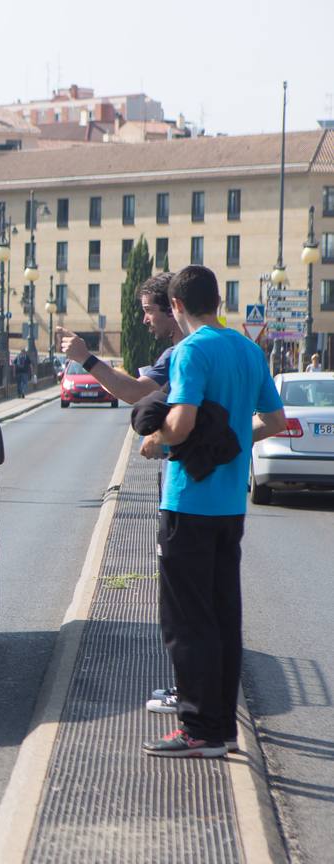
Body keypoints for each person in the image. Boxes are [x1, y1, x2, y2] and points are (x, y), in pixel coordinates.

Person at [137, 266, 286, 759]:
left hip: (189, 503)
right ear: (217, 301)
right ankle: (220, 727)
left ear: (177, 306)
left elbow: (179, 423)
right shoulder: (248, 349)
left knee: (186, 621)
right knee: (223, 615)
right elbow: (276, 420)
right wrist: (236, 440)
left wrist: (156, 442)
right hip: (229, 507)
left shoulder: (191, 350)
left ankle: (198, 729)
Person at [57, 273, 182, 408]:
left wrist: (84, 357)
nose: (145, 320)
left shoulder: (180, 353)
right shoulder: (194, 345)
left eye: (148, 310)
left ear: (171, 309)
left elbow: (136, 393)